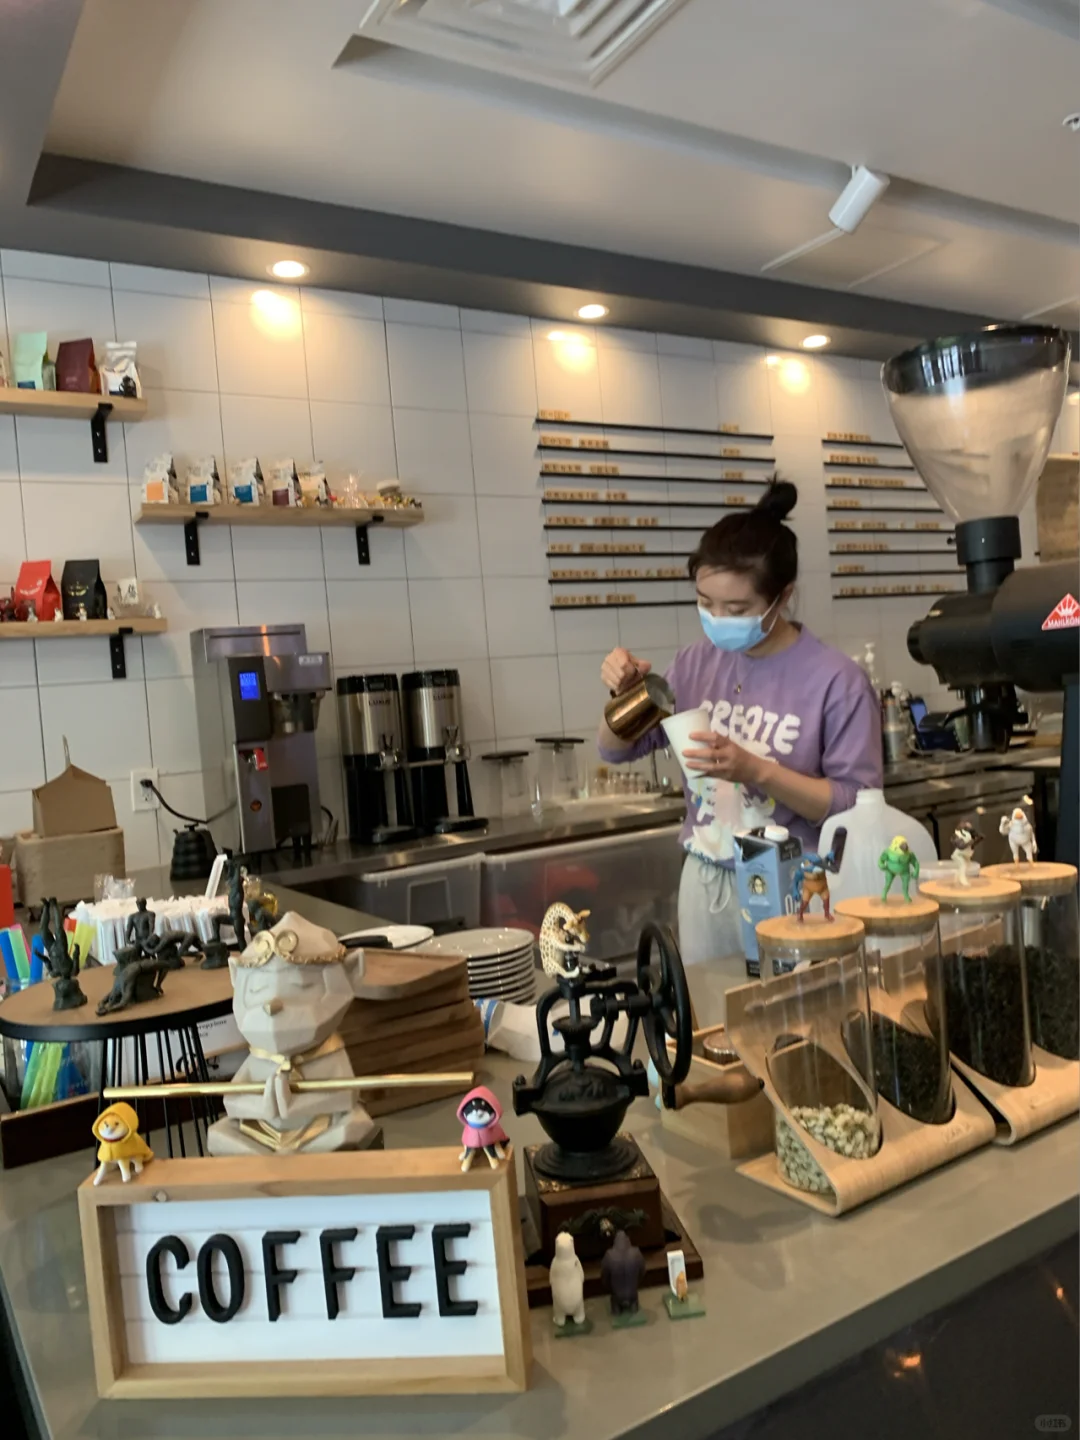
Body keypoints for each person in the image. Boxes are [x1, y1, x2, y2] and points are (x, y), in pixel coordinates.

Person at [597, 481, 882, 967]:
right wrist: (624, 697)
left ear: (783, 597)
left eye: (737, 609)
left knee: (793, 1025)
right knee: (712, 1023)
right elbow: (615, 749)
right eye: (706, 603)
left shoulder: (836, 680)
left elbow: (856, 804)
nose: (717, 619)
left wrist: (757, 770)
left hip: (795, 884)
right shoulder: (693, 664)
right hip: (705, 879)